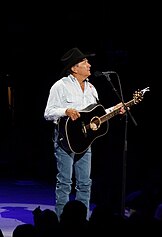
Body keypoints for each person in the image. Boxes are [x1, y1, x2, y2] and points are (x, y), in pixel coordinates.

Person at [44, 47, 126, 220]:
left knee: (85, 183)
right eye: (85, 62)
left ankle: (81, 221)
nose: (89, 65)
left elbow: (97, 114)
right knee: (65, 183)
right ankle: (62, 222)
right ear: (74, 68)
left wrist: (115, 109)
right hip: (65, 139)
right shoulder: (60, 86)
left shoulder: (91, 88)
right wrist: (66, 110)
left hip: (84, 141)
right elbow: (48, 112)